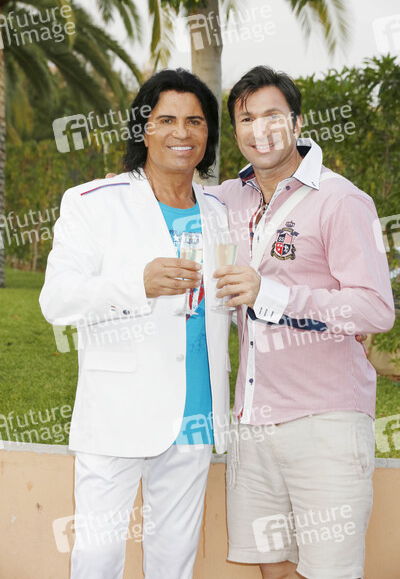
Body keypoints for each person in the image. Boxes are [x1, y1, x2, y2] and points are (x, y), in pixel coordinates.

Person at [39, 68, 231, 579]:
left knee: (174, 562)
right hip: (117, 414)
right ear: (143, 129)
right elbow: (57, 300)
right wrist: (135, 285)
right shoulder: (93, 203)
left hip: (195, 416)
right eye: (166, 119)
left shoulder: (220, 210)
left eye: (195, 121)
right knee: (98, 557)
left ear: (208, 134)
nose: (181, 132)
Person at [209, 66, 395, 579]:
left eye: (272, 115)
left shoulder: (341, 200)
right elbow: (171, 197)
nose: (259, 129)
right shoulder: (228, 198)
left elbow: (375, 308)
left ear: (296, 122)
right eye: (246, 118)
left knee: (329, 571)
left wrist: (272, 294)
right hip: (253, 422)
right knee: (272, 567)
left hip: (325, 422)